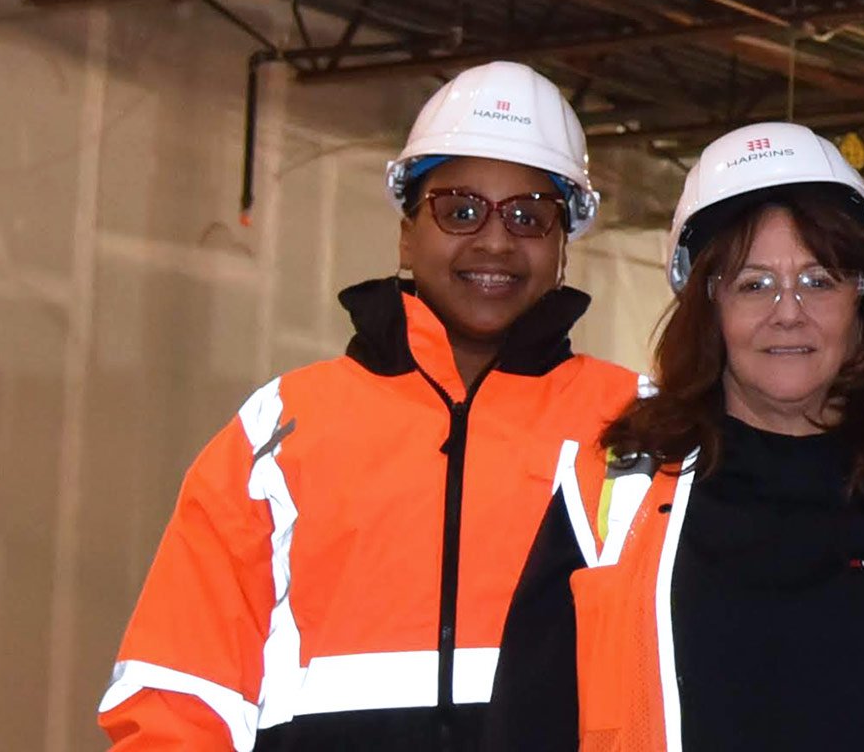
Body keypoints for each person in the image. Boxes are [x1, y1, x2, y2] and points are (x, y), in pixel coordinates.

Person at [99, 61, 647, 750]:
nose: (496, 241)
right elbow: (177, 696)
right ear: (407, 231)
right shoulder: (283, 430)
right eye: (461, 209)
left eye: (531, 217)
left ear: (564, 244)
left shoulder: (641, 428)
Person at [483, 122, 864, 751]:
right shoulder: (604, 509)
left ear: (861, 303)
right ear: (709, 308)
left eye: (819, 280)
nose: (788, 311)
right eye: (753, 284)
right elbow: (525, 730)